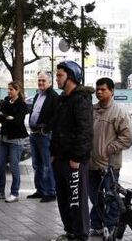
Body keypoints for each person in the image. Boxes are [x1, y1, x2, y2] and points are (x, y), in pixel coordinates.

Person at [50, 60, 93, 241]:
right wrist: (53, 153)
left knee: (76, 200)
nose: (57, 79)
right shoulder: (62, 99)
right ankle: (70, 232)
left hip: (73, 161)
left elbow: (85, 132)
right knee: (63, 198)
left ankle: (80, 234)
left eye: (60, 75)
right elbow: (57, 127)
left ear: (71, 76)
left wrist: (76, 157)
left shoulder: (81, 100)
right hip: (60, 157)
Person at [88, 77, 132, 236]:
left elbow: (127, 138)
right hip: (91, 164)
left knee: (111, 197)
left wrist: (110, 148)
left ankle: (111, 226)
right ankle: (97, 225)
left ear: (112, 91)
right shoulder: (92, 110)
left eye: (103, 89)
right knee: (95, 197)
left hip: (109, 165)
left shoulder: (119, 112)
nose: (99, 92)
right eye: (97, 89)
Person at [0, 81, 29, 203]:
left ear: (17, 91)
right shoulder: (6, 101)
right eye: (8, 89)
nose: (9, 91)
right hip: (4, 138)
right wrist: (7, 116)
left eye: (11, 89)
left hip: (16, 140)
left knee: (14, 166)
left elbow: (17, 121)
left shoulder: (21, 104)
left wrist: (5, 116)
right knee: (0, 165)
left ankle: (14, 193)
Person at [26, 71, 58, 203]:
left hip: (44, 135)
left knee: (47, 165)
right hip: (34, 134)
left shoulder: (53, 96)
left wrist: (46, 129)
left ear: (50, 82)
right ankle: (40, 190)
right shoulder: (37, 95)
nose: (40, 83)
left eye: (43, 81)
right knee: (36, 165)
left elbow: (56, 116)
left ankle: (50, 192)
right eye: (39, 80)